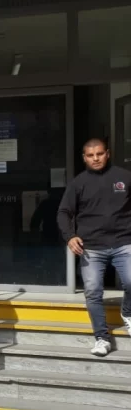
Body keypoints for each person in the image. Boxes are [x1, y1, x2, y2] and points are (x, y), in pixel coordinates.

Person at [57, 138, 131, 357]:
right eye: (90, 155)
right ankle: (101, 338)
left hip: (124, 242)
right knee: (93, 291)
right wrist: (70, 236)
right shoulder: (78, 183)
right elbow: (63, 212)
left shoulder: (125, 177)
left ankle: (128, 313)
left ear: (107, 153)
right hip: (91, 247)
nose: (95, 158)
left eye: (99, 154)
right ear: (84, 158)